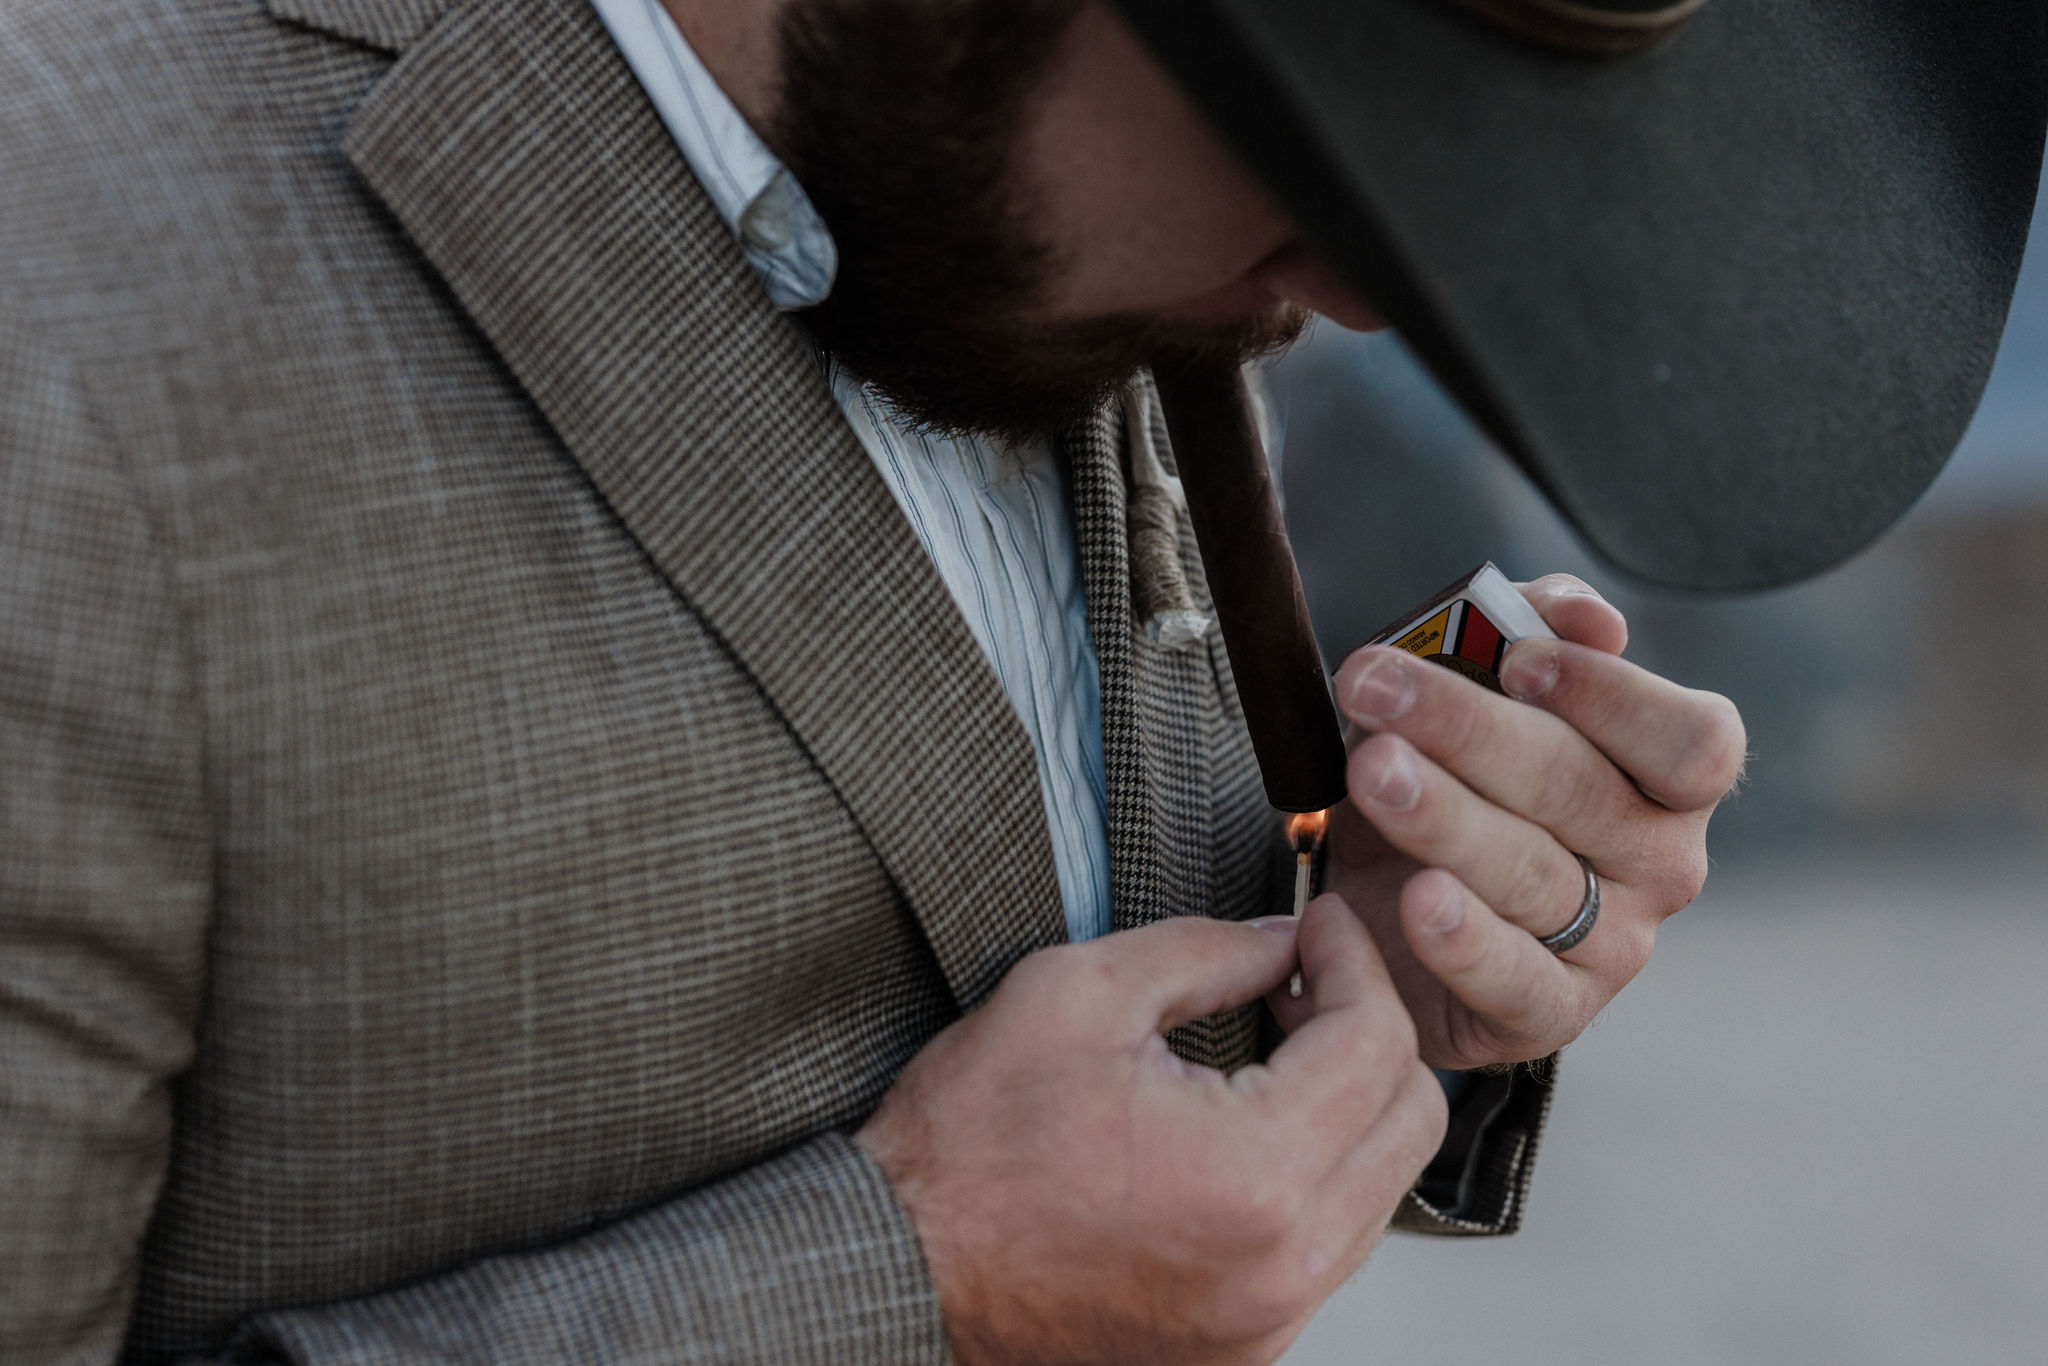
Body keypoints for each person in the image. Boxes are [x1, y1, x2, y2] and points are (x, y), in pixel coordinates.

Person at [0, 0, 1746, 1362]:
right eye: (1302, 97)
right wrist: (921, 1289)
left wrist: (1375, 971)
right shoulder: (63, 300)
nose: (1364, 289)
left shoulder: (1033, 185)